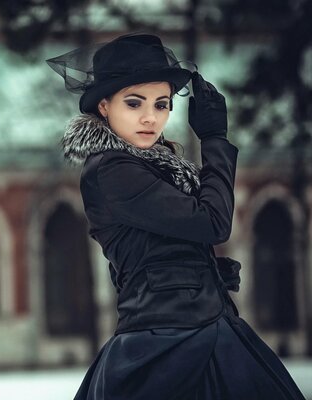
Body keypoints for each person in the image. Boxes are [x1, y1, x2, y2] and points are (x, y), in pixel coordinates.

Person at [46, 32, 306, 400]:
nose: (151, 118)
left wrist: (201, 273)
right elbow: (213, 222)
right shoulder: (112, 169)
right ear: (104, 106)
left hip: (201, 328)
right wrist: (214, 139)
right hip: (162, 345)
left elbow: (155, 245)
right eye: (134, 104)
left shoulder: (154, 166)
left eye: (162, 104)